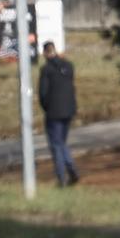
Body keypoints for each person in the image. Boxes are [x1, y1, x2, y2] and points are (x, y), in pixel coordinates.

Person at [38, 41, 79, 187]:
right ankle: (72, 170)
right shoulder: (68, 66)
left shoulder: (46, 70)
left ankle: (62, 178)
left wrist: (47, 108)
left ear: (44, 53)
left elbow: (42, 94)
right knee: (61, 142)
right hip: (69, 110)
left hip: (54, 113)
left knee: (56, 144)